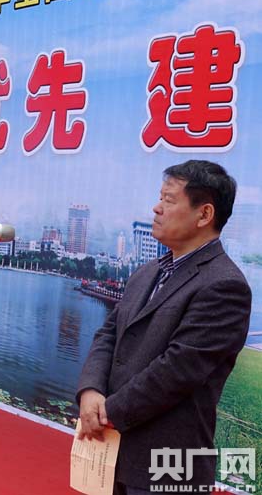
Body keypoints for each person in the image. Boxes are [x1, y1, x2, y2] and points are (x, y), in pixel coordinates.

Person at [77, 160, 251, 495]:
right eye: (160, 198)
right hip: (111, 454)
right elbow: (109, 334)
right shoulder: (148, 272)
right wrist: (90, 391)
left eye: (169, 200)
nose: (156, 208)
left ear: (204, 214)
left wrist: (105, 412)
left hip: (166, 467)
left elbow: (176, 372)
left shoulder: (224, 285)